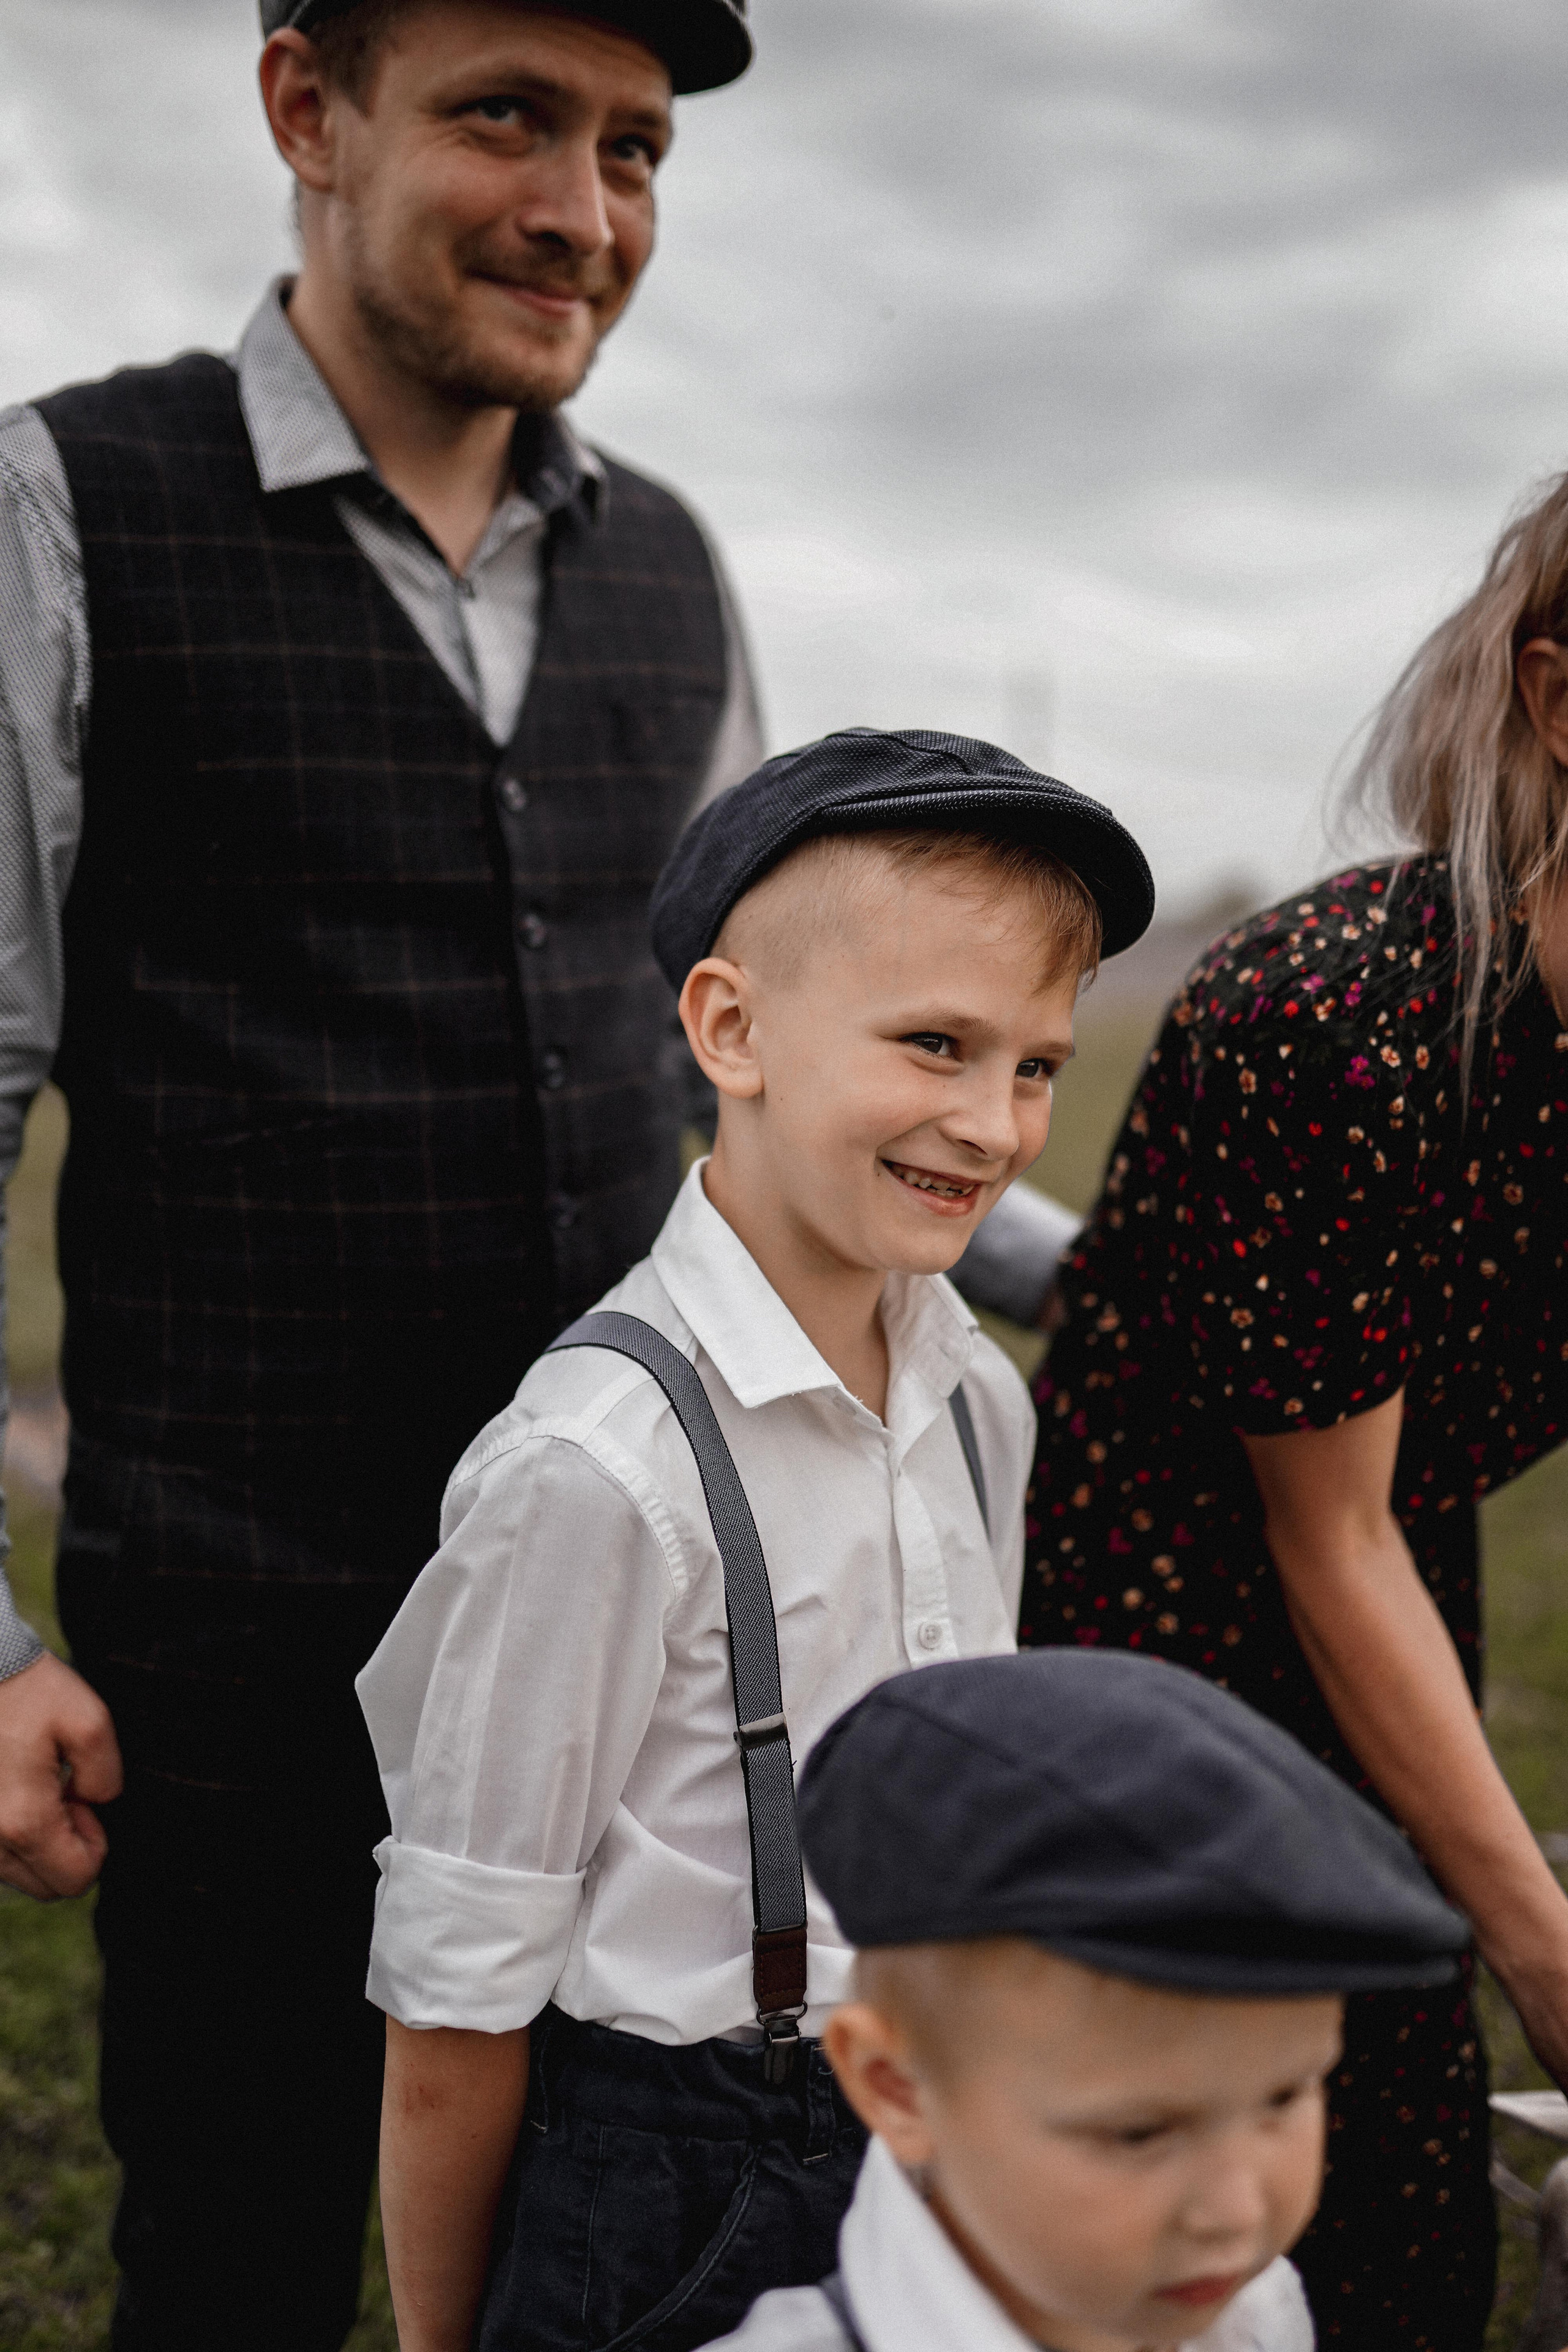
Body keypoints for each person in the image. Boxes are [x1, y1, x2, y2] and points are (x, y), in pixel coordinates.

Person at [0, 1, 763, 2343]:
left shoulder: (675, 565)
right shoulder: (62, 507)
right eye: (507, 118)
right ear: (307, 108)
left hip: (634, 1642)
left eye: (632, 146)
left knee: (620, 2262)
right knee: (236, 2264)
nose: (583, 211)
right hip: (241, 1660)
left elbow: (759, 1072)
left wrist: (1067, 1263)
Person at [357, 727, 1156, 2352]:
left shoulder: (974, 1399)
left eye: (1033, 1065)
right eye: (934, 1044)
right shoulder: (597, 1469)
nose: (996, 1125)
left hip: (930, 2143)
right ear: (731, 1029)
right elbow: (456, 2001)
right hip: (671, 2194)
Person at [1017, 466, 1568, 2350]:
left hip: (1400, 1581)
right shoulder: (1334, 1022)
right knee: (1220, 2224)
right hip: (1168, 1639)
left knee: (1406, 2245)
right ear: (1558, 702)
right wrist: (1543, 1949)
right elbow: (1322, 1536)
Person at [703, 1647, 1469, 2352]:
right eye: (1139, 2133)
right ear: (895, 2087)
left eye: (1285, 2095)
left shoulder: (1256, 2311)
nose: (1236, 2212)